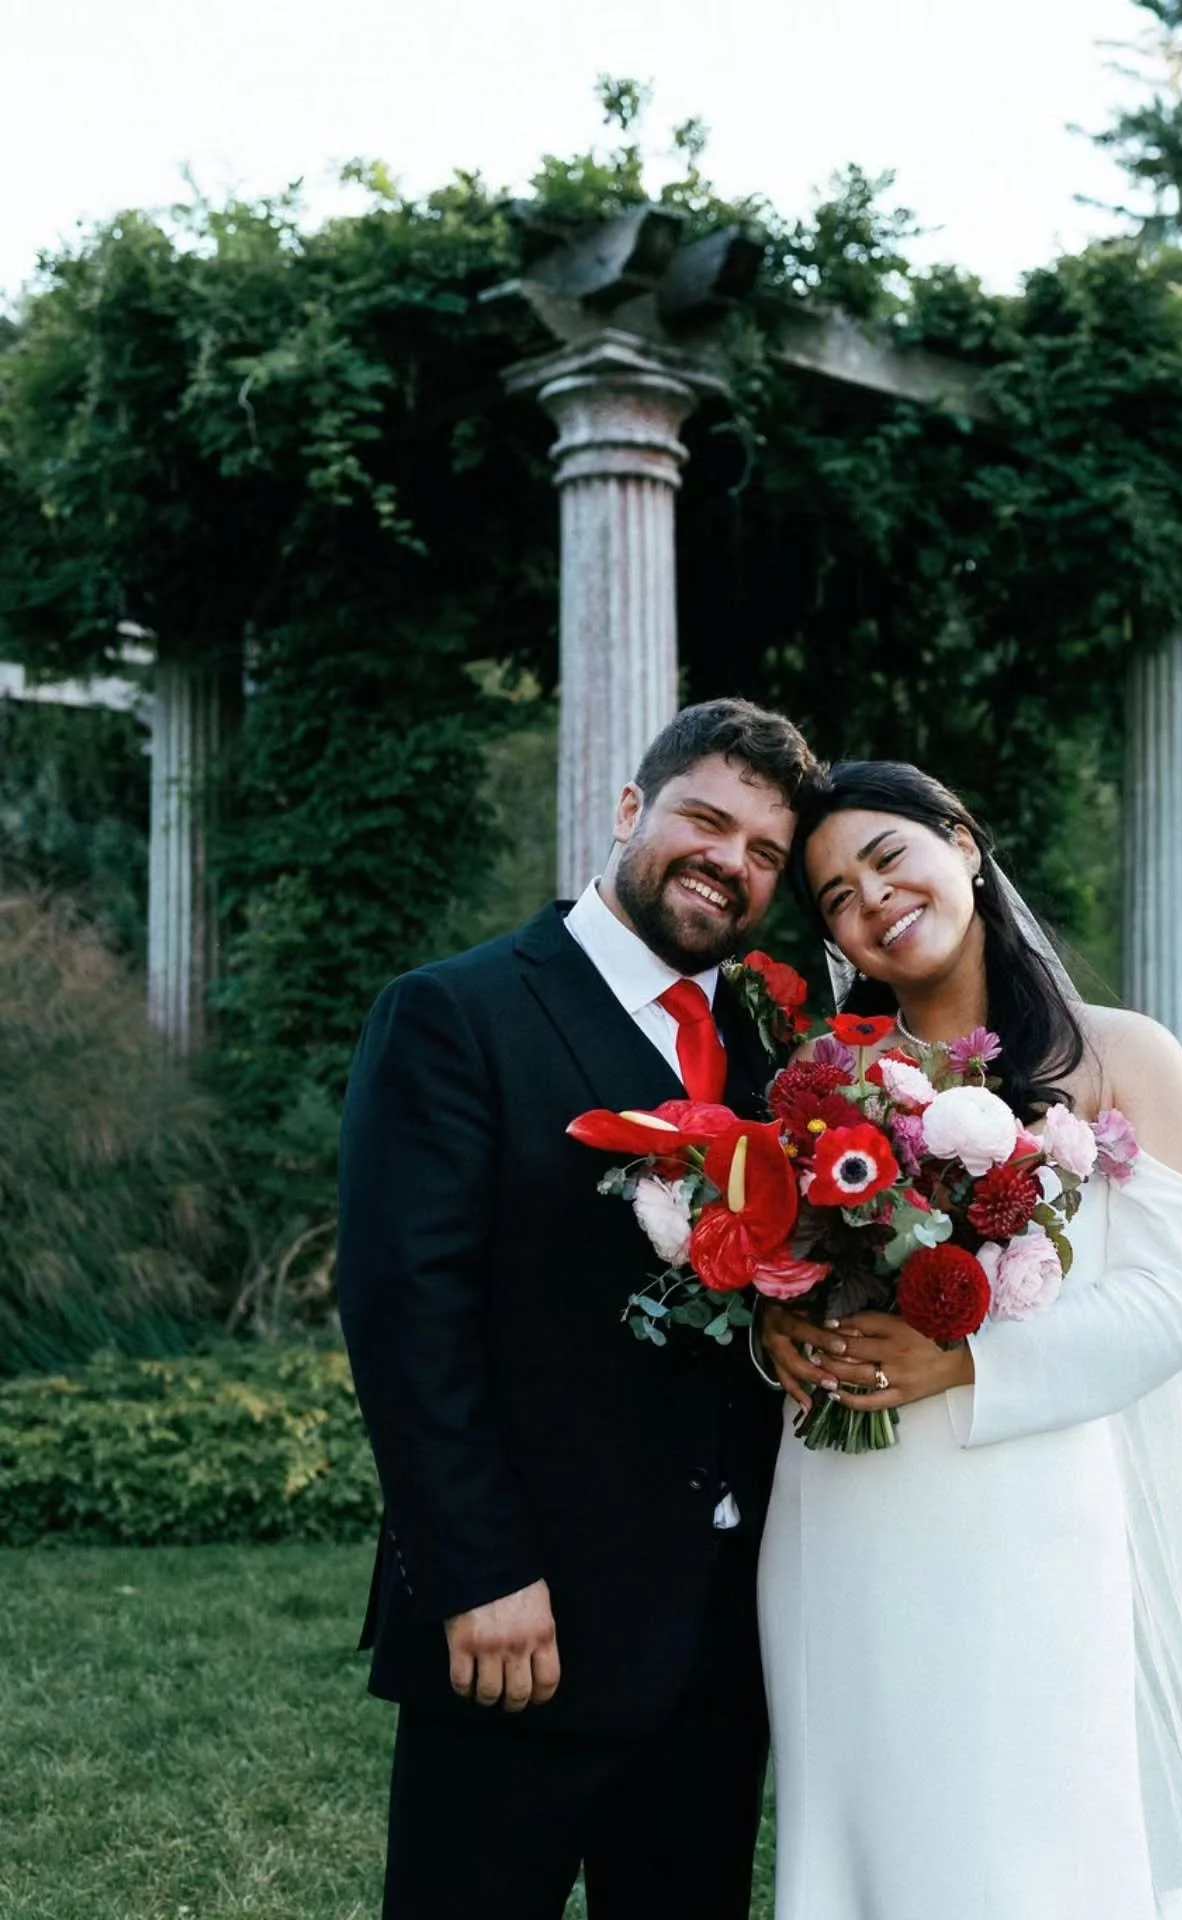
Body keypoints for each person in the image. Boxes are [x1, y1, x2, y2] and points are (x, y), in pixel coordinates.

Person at [759, 760, 1182, 1920]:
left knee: (1023, 1836)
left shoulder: (1121, 1053)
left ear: (962, 842)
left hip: (1023, 1508)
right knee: (863, 1827)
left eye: (886, 858)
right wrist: (776, 1321)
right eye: (836, 899)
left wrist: (969, 1359)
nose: (871, 900)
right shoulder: (826, 1084)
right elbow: (795, 1264)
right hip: (838, 1515)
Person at [338, 698, 817, 1920]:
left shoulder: (768, 1058)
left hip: (716, 1650)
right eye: (706, 821)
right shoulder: (459, 1013)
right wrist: (476, 1573)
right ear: (628, 814)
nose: (731, 863)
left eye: (765, 853)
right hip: (521, 1632)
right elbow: (408, 1317)